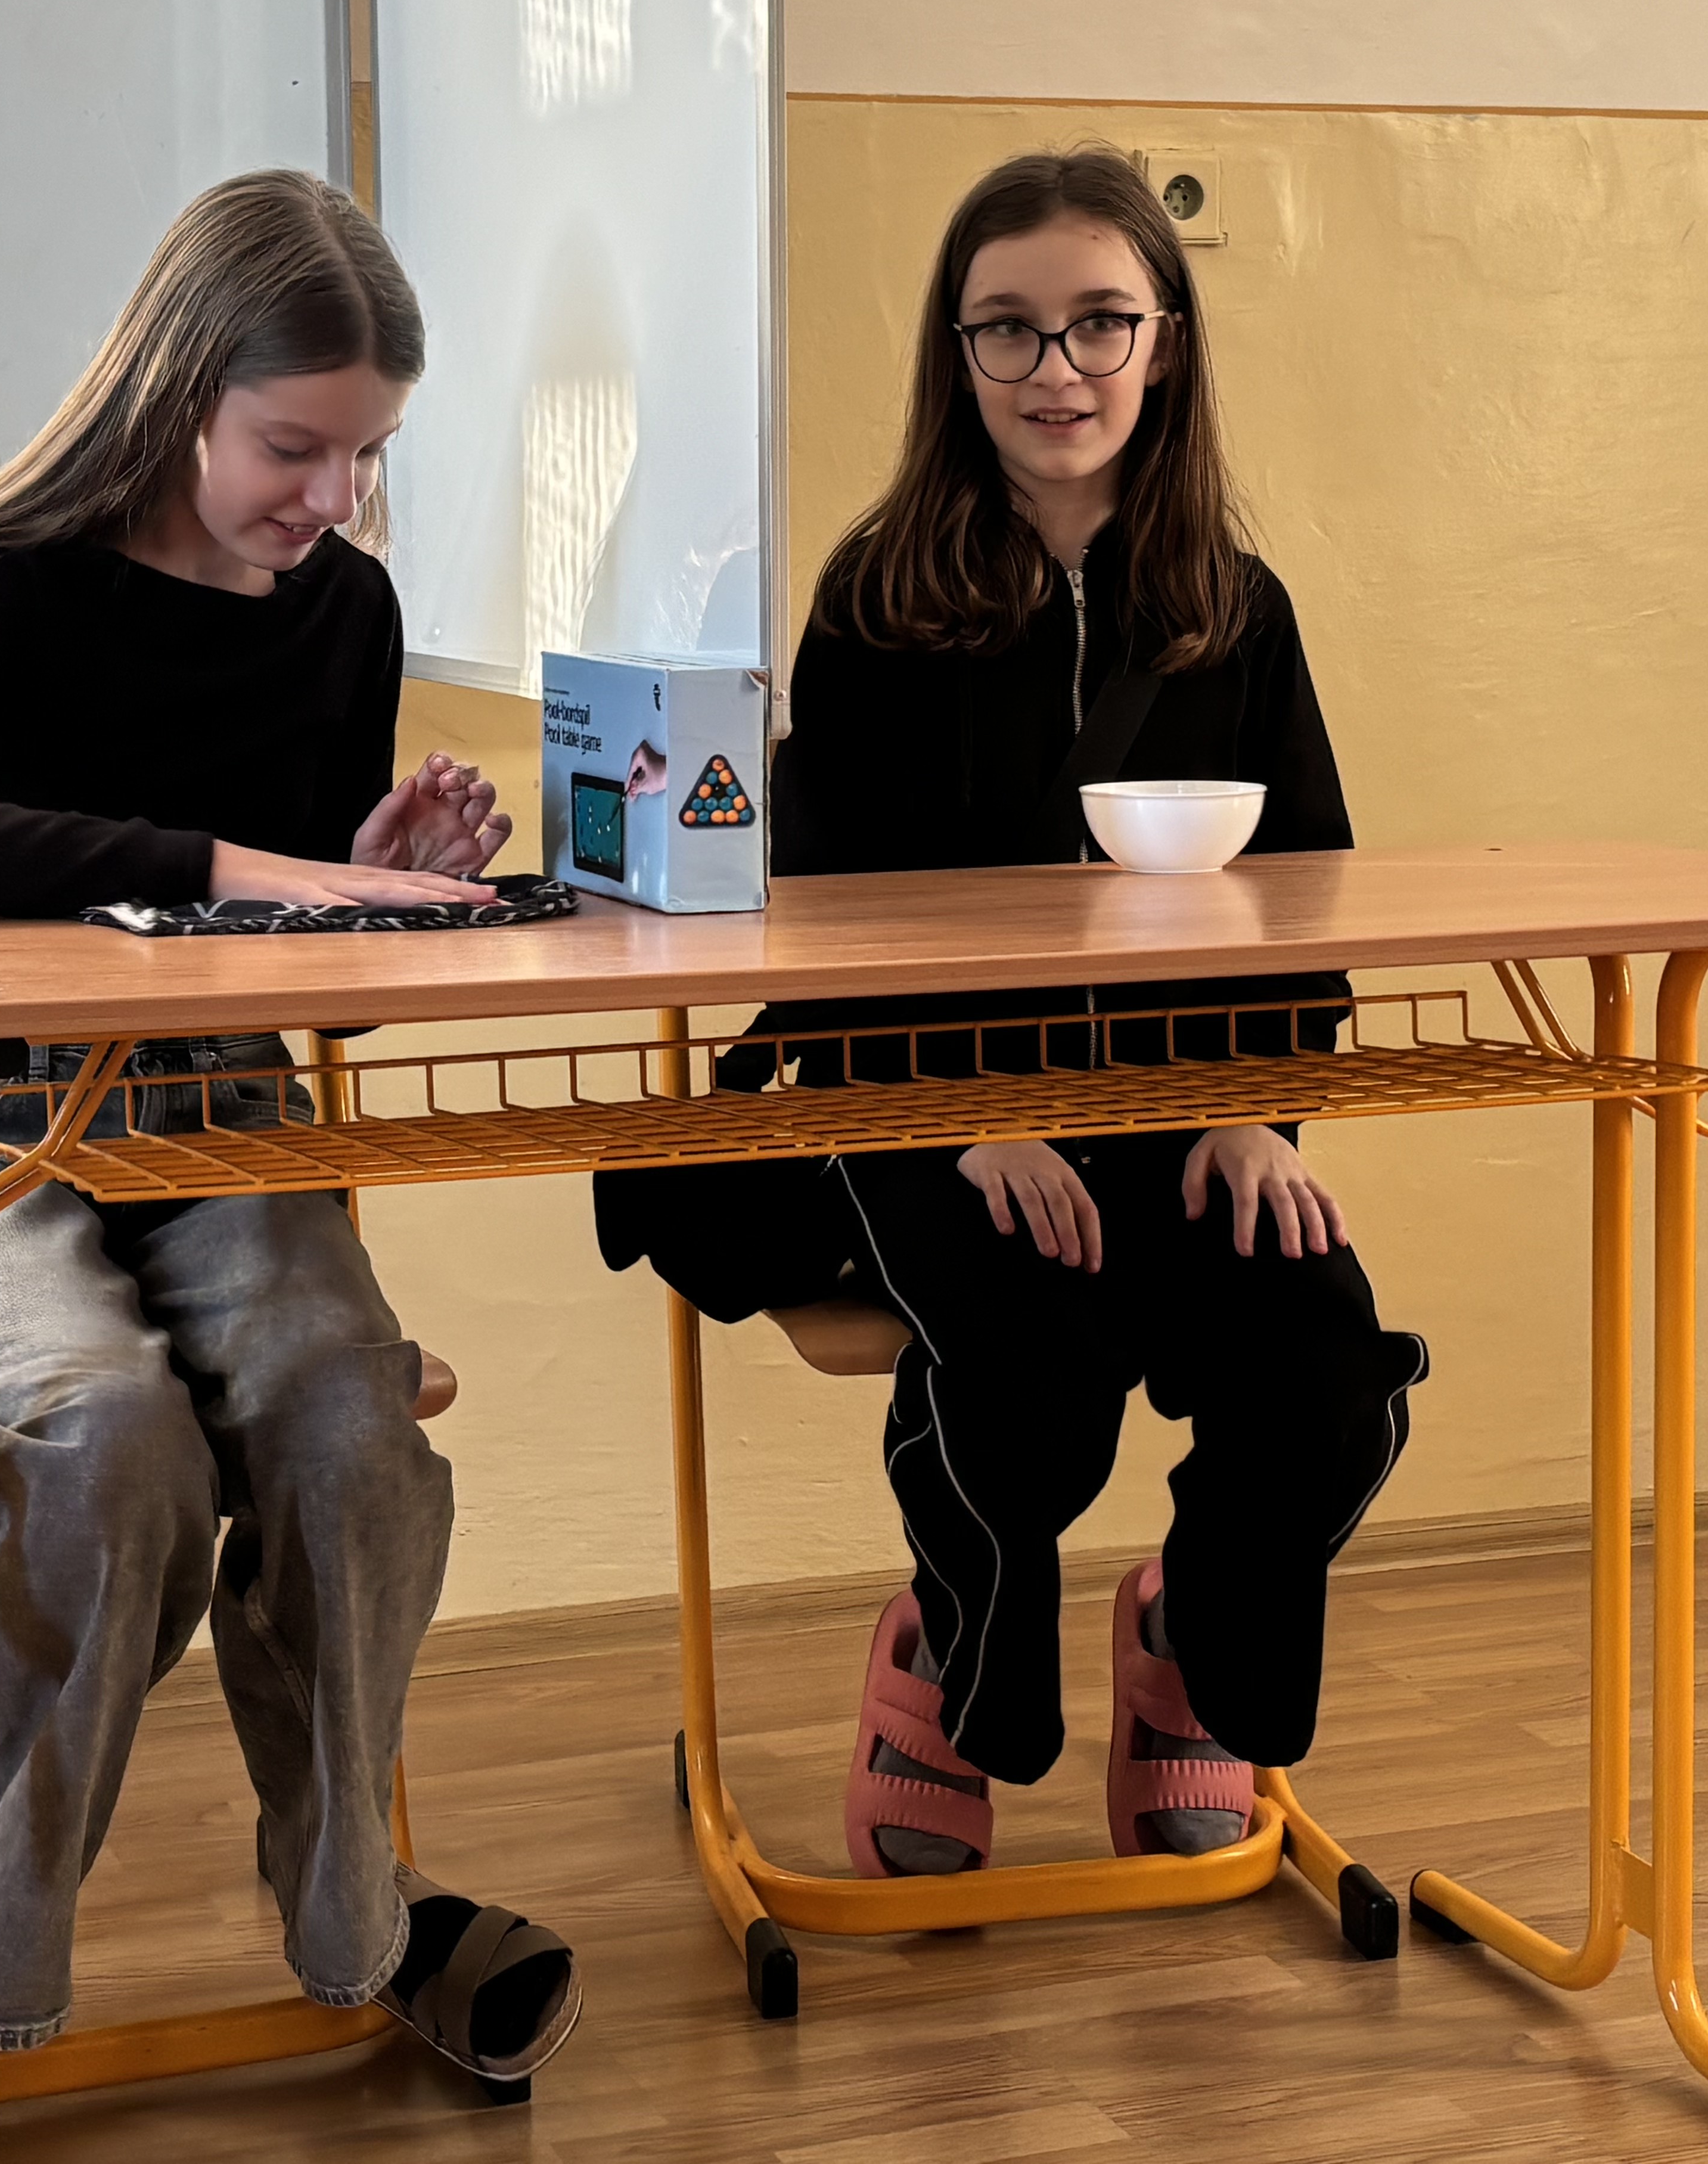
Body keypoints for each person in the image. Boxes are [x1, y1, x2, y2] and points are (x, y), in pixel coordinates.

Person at [0, 170, 577, 2160]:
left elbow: (279, 936)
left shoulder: (342, 610)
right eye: (294, 448)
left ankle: (362, 1910)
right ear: (180, 389)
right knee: (112, 1437)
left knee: (345, 1416)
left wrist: (366, 878)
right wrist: (224, 863)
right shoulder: (5, 584)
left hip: (216, 1106)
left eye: (366, 456)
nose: (331, 499)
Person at [595, 148, 1428, 1882]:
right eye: (1009, 329)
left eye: (1100, 322)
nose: (1058, 369)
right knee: (1030, 1367)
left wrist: (1254, 1110)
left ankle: (1192, 1637)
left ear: (1166, 340)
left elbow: (1307, 901)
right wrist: (971, 1115)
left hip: (1179, 1109)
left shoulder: (1237, 610)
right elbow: (826, 927)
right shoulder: (877, 602)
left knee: (1324, 1369)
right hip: (925, 1102)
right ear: (956, 352)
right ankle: (953, 1662)